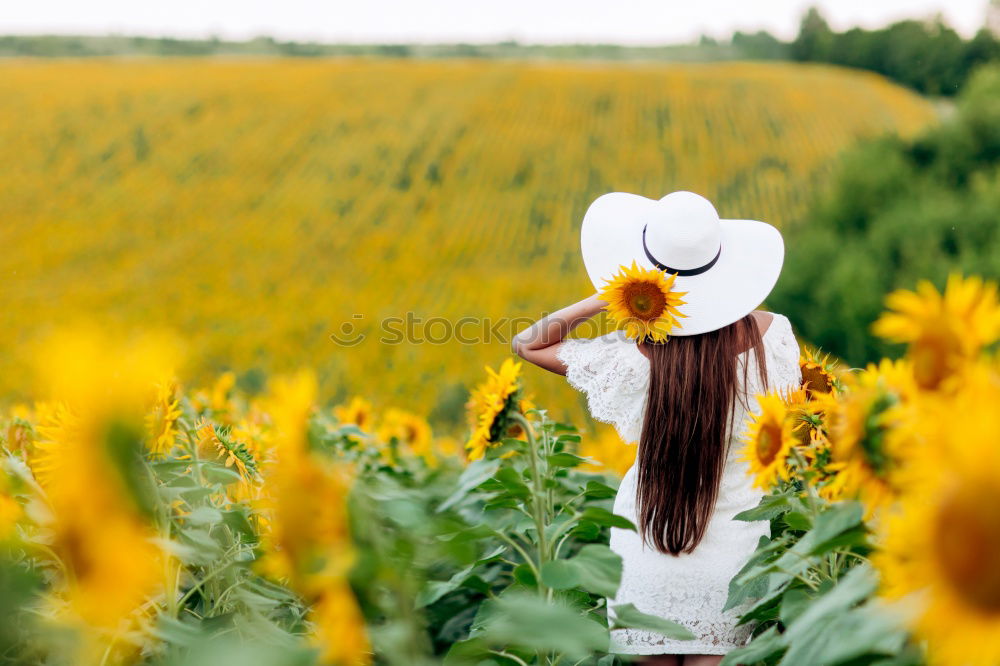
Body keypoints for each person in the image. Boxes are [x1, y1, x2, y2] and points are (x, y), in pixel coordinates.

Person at [511, 191, 802, 665]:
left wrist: (612, 295)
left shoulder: (631, 358)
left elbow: (528, 343)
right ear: (724, 267)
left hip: (650, 538)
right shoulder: (774, 339)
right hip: (736, 556)